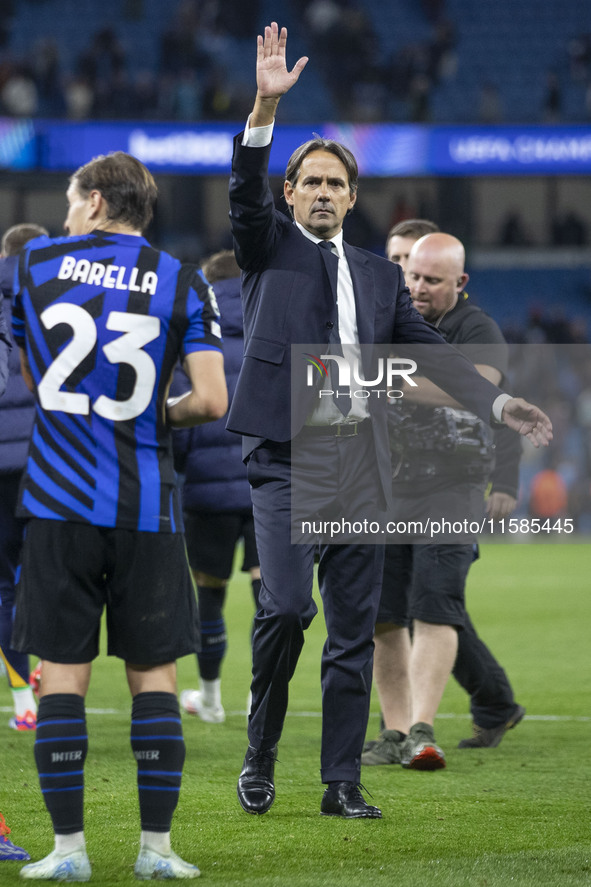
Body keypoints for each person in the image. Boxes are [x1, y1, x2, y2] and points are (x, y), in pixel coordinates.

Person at [227, 22, 551, 820]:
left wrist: (501, 402)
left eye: (338, 184)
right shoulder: (266, 244)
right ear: (291, 193)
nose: (325, 193)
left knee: (351, 632)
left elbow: (431, 357)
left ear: (354, 197)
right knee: (287, 610)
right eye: (312, 183)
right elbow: (242, 187)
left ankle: (342, 781)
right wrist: (266, 104)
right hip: (284, 457)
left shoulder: (379, 279)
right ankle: (259, 750)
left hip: (362, 469)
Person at [10, 151, 227, 881]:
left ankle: (67, 852)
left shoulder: (34, 263)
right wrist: (146, 413)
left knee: (61, 675)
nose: (69, 213)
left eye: (74, 200)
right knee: (154, 675)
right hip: (147, 507)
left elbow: (34, 377)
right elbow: (210, 402)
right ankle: (157, 850)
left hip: (56, 502)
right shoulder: (183, 279)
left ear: (97, 202)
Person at [362, 220, 525, 766]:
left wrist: (504, 482)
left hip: (452, 486)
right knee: (386, 615)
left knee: (435, 605)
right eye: (412, 275)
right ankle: (395, 731)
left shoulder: (478, 328)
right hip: (386, 486)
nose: (420, 287)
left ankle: (422, 731)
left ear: (461, 282)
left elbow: (479, 389)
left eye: (433, 278)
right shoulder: (380, 319)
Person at [173, 249, 260, 724]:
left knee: (210, 595)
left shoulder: (195, 336)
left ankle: (209, 699)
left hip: (207, 492)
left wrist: (187, 467)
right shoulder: (275, 331)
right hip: (270, 488)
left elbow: (181, 417)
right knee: (269, 597)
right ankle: (259, 700)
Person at [0, 224, 48, 734]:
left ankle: (21, 702)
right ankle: (52, 682)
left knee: (3, 585)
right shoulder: (58, 293)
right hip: (48, 458)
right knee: (56, 575)